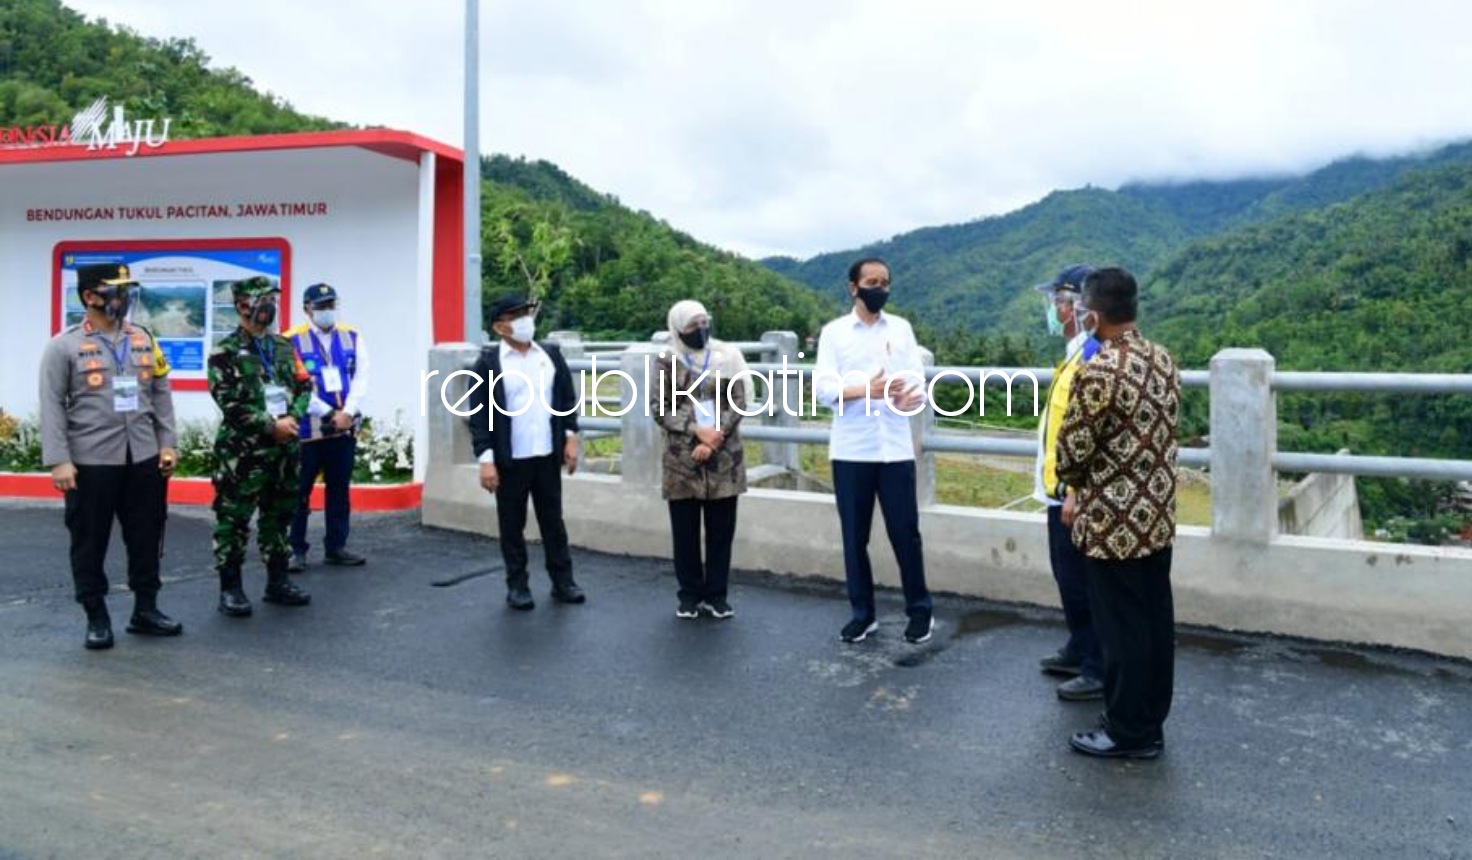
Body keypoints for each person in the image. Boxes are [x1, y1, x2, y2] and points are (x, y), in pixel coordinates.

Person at [1056, 267, 1181, 760]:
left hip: (1112, 526)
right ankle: (1150, 721)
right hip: (1155, 518)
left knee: (1120, 630)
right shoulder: (1162, 358)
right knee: (1153, 623)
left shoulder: (1099, 369)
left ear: (1094, 313)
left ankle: (1128, 731)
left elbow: (1072, 454)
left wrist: (1078, 484)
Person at [38, 263, 183, 649]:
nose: (123, 298)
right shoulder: (63, 346)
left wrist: (167, 442)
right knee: (90, 540)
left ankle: (146, 609)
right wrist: (58, 460)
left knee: (146, 534)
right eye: (115, 290)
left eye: (126, 290)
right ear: (90, 296)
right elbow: (52, 404)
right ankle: (96, 615)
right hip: (90, 462)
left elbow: (161, 393)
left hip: (142, 458)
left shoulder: (143, 337)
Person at [812, 257, 933, 644]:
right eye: (871, 281)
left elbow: (915, 384)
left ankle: (920, 611)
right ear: (853, 287)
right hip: (852, 449)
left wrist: (905, 396)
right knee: (854, 537)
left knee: (905, 534)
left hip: (895, 448)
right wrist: (868, 388)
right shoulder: (834, 334)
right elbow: (824, 389)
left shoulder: (901, 329)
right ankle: (863, 614)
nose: (878, 288)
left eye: (884, 282)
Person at [466, 295, 586, 610]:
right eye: (515, 315)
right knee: (511, 524)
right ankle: (517, 585)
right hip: (510, 458)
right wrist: (486, 461)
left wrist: (571, 438)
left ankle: (563, 582)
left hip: (546, 454)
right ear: (498, 326)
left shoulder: (549, 355)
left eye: (525, 313)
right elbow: (479, 418)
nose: (524, 320)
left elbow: (566, 399)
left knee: (553, 522)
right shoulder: (489, 364)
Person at [208, 276, 314, 617]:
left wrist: (293, 419)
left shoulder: (283, 346)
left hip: (284, 452)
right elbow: (231, 404)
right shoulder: (224, 351)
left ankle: (277, 581)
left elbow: (304, 385)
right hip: (243, 454)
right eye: (262, 299)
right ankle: (231, 588)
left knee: (279, 516)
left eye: (273, 299)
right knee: (234, 520)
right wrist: (272, 425)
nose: (270, 306)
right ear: (242, 306)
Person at [1032, 265, 1105, 702]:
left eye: (1061, 301)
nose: (1055, 309)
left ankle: (1097, 666)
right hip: (1058, 488)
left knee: (1083, 580)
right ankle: (1079, 646)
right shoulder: (1075, 351)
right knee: (1067, 575)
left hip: (1075, 492)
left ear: (1080, 307)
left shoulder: (1095, 353)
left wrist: (1076, 488)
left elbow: (1091, 429)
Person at [650, 300, 749, 619]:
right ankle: (689, 595)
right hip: (682, 459)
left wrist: (715, 435)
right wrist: (696, 431)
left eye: (704, 323)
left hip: (724, 457)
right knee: (685, 531)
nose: (701, 330)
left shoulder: (727, 356)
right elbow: (659, 407)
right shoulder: (666, 360)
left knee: (722, 531)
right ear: (677, 329)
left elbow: (739, 400)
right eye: (692, 326)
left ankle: (717, 595)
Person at [285, 282, 370, 572]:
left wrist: (347, 413)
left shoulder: (352, 336)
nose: (326, 311)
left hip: (342, 428)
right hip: (307, 431)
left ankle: (336, 545)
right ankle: (295, 549)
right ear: (306, 309)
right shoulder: (290, 341)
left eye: (330, 305)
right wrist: (329, 411)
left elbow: (361, 377)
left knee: (338, 489)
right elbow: (295, 387)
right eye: (320, 306)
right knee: (299, 492)